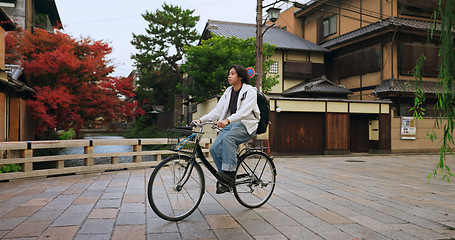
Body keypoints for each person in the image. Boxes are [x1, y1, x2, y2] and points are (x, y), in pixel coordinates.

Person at [193, 65, 260, 194]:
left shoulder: (250, 91)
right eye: (229, 73)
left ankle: (229, 174)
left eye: (233, 73)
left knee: (228, 139)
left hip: (247, 124)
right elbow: (217, 111)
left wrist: (227, 120)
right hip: (231, 124)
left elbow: (244, 112)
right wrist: (201, 120)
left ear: (240, 76)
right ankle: (225, 178)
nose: (229, 75)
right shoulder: (228, 91)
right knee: (214, 148)